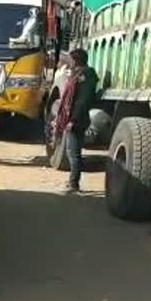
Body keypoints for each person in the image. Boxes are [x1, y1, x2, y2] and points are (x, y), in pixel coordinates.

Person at [61, 49, 98, 193]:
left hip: (78, 119)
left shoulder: (86, 75)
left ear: (76, 60)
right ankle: (72, 181)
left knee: (73, 152)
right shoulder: (78, 74)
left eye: (70, 60)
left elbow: (82, 101)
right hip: (75, 117)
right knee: (72, 151)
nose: (68, 62)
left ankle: (74, 184)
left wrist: (72, 120)